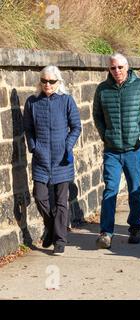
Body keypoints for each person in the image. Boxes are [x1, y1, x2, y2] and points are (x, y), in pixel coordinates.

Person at [93, 53, 140, 249]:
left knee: (134, 189)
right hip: (112, 150)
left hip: (133, 149)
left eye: (120, 67)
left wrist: (138, 131)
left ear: (127, 67)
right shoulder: (102, 89)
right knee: (110, 190)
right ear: (109, 70)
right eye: (113, 68)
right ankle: (106, 232)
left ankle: (135, 227)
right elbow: (97, 115)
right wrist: (106, 135)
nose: (117, 71)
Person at [23, 65, 81, 256]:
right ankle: (52, 228)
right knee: (40, 196)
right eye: (44, 81)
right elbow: (28, 129)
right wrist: (33, 147)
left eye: (51, 81)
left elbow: (76, 127)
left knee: (61, 201)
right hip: (41, 158)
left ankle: (60, 240)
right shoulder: (32, 102)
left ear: (58, 82)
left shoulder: (66, 101)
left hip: (61, 159)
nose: (47, 84)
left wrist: (67, 145)